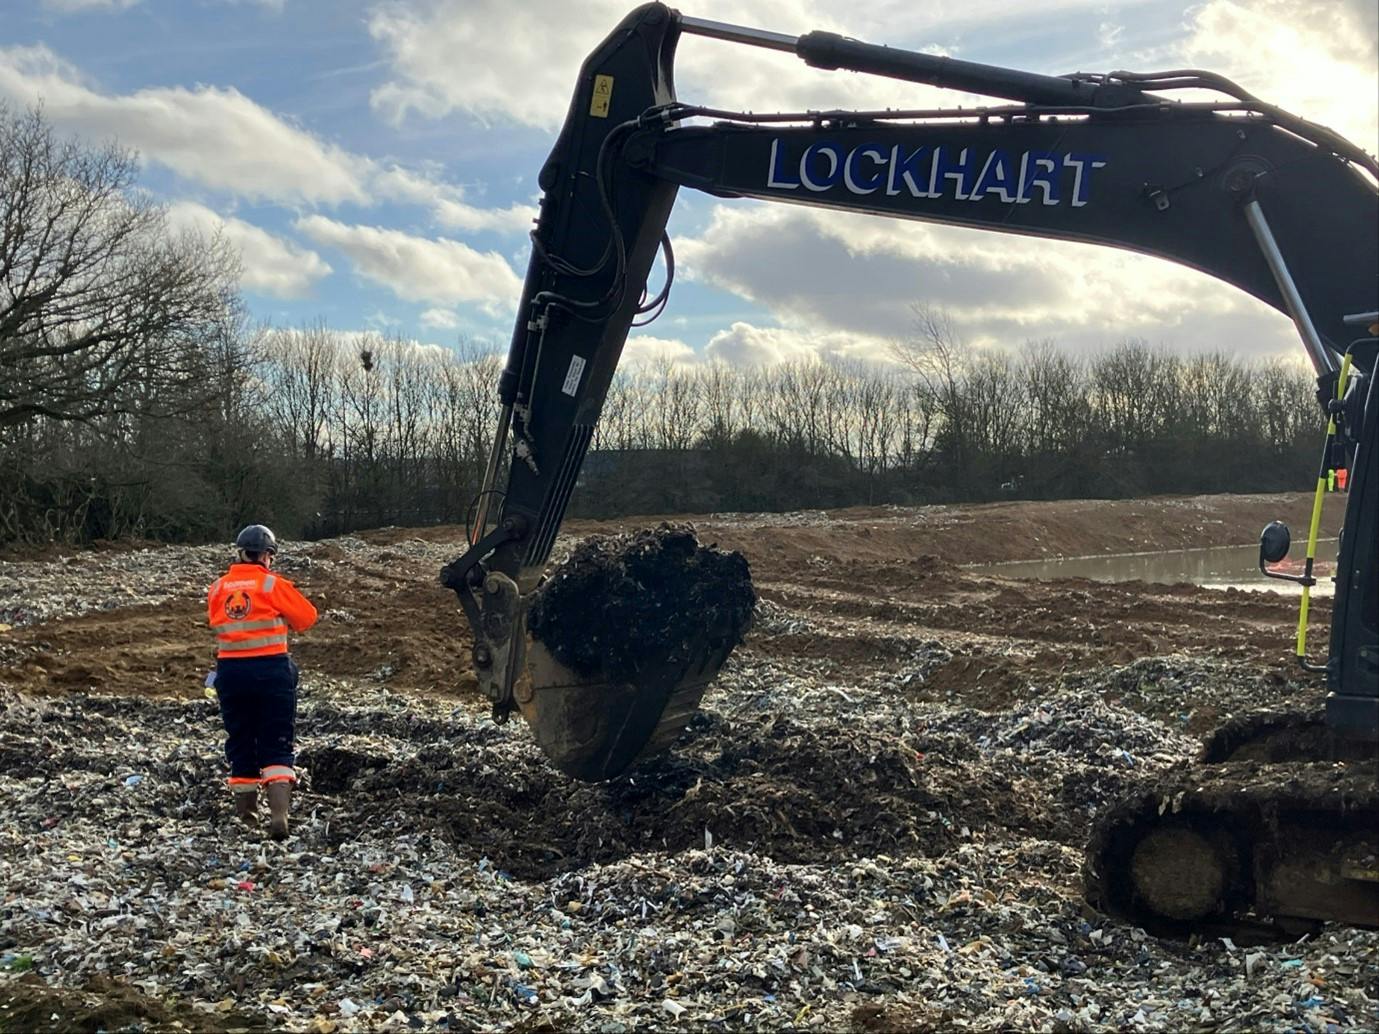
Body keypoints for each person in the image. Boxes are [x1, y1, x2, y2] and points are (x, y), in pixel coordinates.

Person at [207, 524, 317, 840]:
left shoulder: (217, 589)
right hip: (271, 672)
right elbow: (307, 618)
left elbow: (218, 622)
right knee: (277, 739)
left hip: (230, 673)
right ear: (268, 556)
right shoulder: (272, 585)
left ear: (239, 553)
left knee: (240, 740)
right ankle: (279, 815)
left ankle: (246, 816)